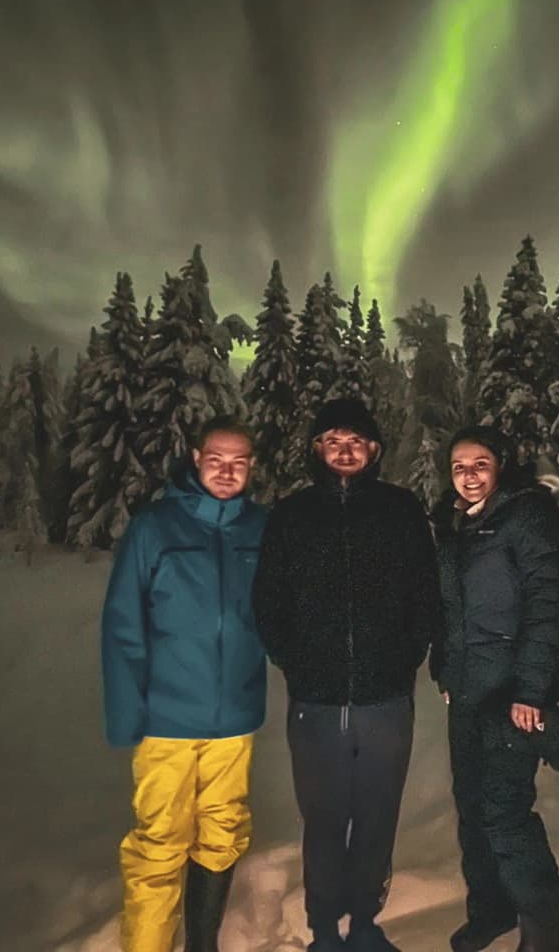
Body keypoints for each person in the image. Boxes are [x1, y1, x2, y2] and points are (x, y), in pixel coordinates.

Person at [253, 397, 441, 952]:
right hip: (316, 700)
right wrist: (297, 660)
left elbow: (424, 595)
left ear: (374, 449)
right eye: (333, 441)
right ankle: (323, 930)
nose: (345, 449)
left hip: (385, 699)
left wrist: (406, 656)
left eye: (355, 441)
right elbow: (268, 601)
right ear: (317, 449)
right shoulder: (291, 516)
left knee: (378, 813)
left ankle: (364, 924)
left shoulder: (400, 511)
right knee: (325, 817)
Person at [101, 416, 267, 952]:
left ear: (252, 467)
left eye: (238, 461)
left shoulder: (261, 529)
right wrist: (130, 715)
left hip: (234, 720)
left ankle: (203, 945)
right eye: (216, 458)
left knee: (222, 839)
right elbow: (124, 623)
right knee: (159, 846)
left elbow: (286, 611)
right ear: (196, 457)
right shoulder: (155, 527)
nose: (226, 470)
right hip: (167, 721)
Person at [430, 425, 559, 952]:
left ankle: (542, 928)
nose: (469, 477)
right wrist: (444, 670)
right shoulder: (455, 524)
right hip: (467, 693)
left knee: (504, 811)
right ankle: (491, 911)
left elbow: (547, 608)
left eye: (480, 465)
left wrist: (531, 692)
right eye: (459, 468)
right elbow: (448, 609)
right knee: (472, 808)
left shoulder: (528, 517)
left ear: (500, 466)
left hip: (513, 696)